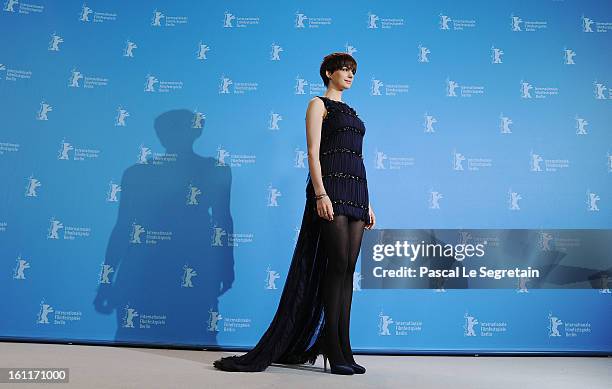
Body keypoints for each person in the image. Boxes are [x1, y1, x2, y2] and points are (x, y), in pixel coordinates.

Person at [213, 52, 376, 375]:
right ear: (328, 73)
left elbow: (357, 157)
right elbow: (313, 153)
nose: (350, 75)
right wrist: (320, 193)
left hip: (357, 192)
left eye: (353, 71)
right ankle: (332, 346)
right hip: (330, 188)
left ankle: (343, 347)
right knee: (335, 267)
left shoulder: (353, 112)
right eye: (344, 69)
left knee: (347, 271)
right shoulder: (318, 104)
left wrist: (368, 202)